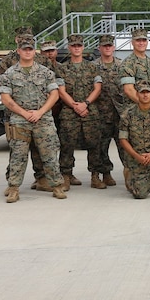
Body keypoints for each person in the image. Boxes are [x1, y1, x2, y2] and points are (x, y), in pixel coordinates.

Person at [0, 36, 67, 203]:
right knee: (18, 156)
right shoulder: (10, 74)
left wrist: (40, 112)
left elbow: (54, 94)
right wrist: (24, 113)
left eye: (30, 49)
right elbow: (6, 99)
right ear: (19, 51)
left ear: (34, 51)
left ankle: (57, 186)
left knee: (49, 154)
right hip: (20, 121)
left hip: (43, 120)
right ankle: (13, 188)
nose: (27, 52)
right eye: (24, 49)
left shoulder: (46, 72)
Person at [56, 34, 104, 190]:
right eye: (73, 46)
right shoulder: (62, 69)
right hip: (70, 112)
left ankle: (95, 175)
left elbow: (97, 88)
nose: (76, 48)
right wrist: (75, 106)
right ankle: (66, 175)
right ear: (69, 48)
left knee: (94, 144)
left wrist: (86, 104)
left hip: (90, 110)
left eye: (79, 45)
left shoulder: (93, 67)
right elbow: (61, 91)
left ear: (83, 47)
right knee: (67, 145)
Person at [119, 28, 150, 188]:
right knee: (134, 143)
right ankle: (130, 175)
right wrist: (144, 104)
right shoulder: (128, 63)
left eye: (144, 40)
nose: (141, 43)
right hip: (133, 112)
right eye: (138, 40)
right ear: (132, 42)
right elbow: (129, 89)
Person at [92, 34, 123, 187]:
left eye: (109, 46)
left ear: (114, 47)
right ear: (99, 48)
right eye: (104, 46)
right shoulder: (93, 67)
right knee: (100, 146)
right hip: (100, 113)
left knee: (123, 145)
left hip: (119, 113)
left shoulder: (122, 66)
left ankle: (131, 173)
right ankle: (102, 174)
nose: (107, 48)